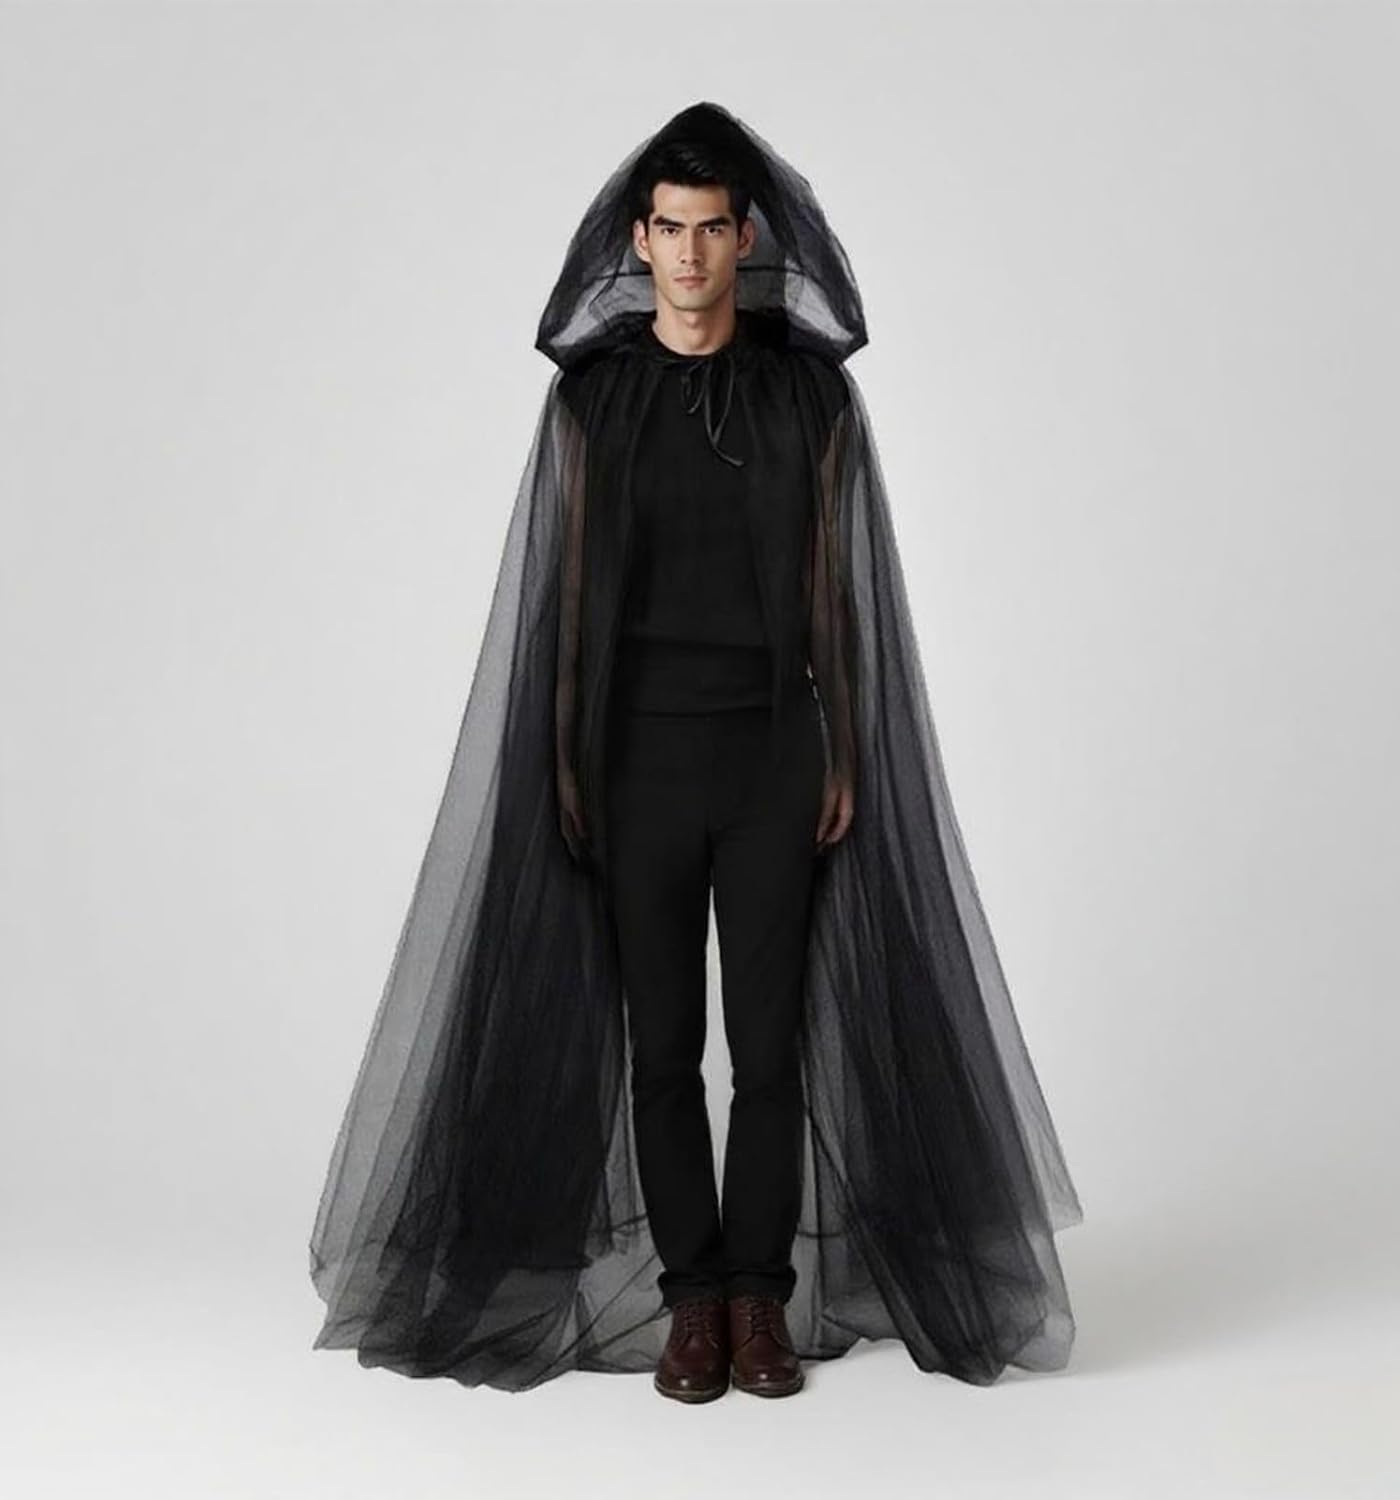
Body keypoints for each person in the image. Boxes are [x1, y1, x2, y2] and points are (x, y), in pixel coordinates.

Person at [309, 101, 1083, 1401]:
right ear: (638, 239)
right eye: (668, 229)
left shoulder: (811, 398)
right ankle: (691, 1303)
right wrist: (567, 770)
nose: (688, 254)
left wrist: (845, 754)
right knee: (661, 1050)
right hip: (635, 765)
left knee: (768, 1050)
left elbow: (839, 592)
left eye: (711, 230)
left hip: (775, 758)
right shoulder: (591, 404)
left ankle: (759, 1301)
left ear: (746, 240)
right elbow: (559, 605)